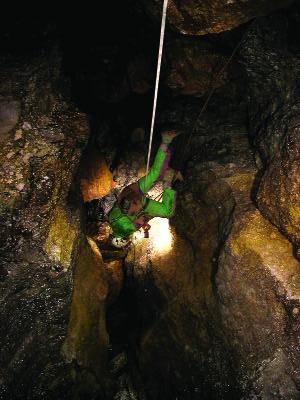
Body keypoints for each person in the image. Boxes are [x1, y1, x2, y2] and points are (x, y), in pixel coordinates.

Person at [107, 129, 182, 248]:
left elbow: (139, 219)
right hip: (132, 192)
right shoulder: (111, 219)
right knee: (155, 174)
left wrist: (144, 224)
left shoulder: (126, 229)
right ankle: (166, 140)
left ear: (123, 239)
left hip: (138, 202)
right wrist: (143, 224)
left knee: (168, 211)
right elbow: (133, 217)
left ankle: (168, 180)